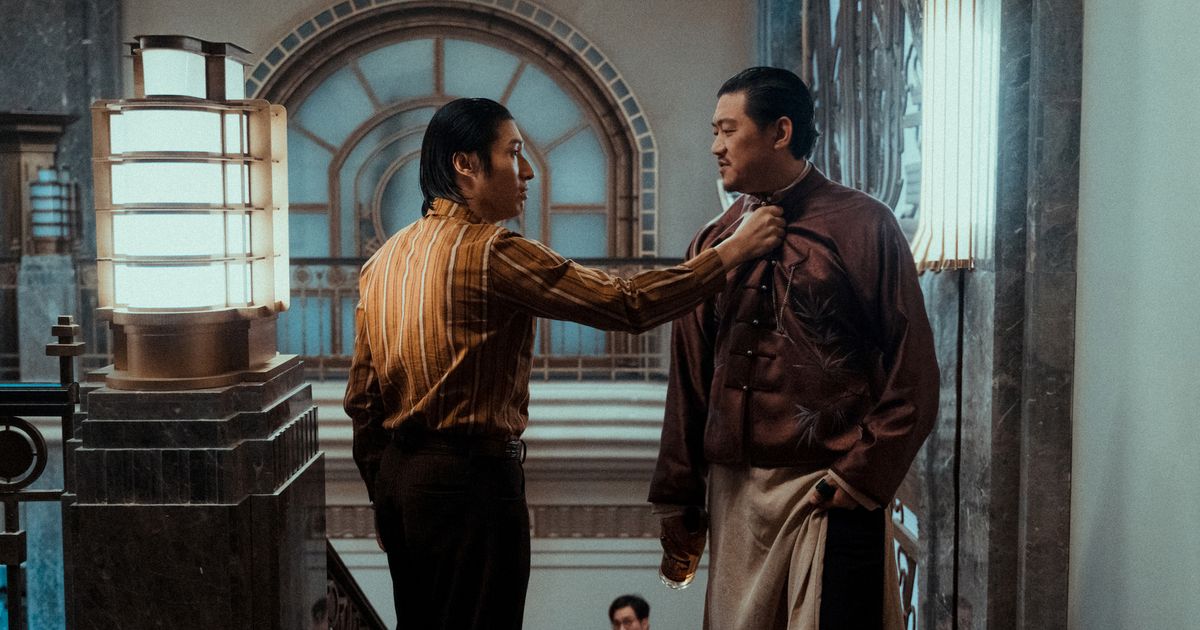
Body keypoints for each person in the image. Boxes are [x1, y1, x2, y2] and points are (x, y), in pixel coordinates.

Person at [343, 97, 784, 630]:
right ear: (465, 164)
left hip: (402, 482)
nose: (527, 171)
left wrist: (384, 492)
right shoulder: (493, 252)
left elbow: (362, 401)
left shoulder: (383, 261)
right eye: (513, 153)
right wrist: (731, 252)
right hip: (471, 483)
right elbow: (626, 303)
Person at [649, 67, 939, 630]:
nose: (715, 147)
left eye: (728, 130)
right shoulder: (714, 242)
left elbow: (915, 371)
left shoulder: (864, 226)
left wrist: (858, 477)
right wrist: (678, 495)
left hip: (826, 488)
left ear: (780, 132)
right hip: (736, 497)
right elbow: (688, 378)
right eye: (714, 132)